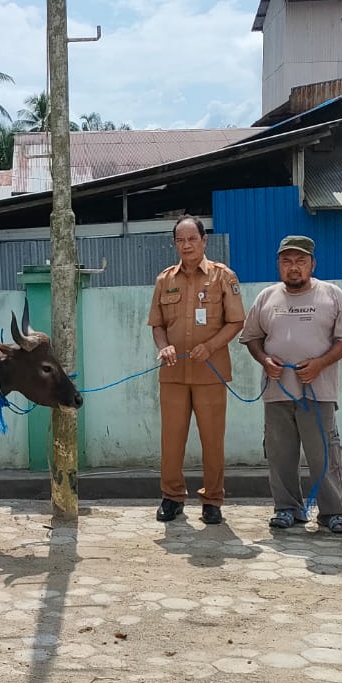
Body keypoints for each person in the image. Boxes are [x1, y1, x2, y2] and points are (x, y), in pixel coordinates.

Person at [239, 236, 342, 535]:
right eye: (287, 261)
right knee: (280, 454)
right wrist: (265, 360)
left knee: (324, 454)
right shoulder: (266, 297)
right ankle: (287, 508)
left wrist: (320, 364)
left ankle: (333, 512)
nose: (293, 268)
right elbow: (251, 337)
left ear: (312, 264)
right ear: (279, 265)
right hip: (276, 392)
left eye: (300, 261)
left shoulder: (331, 295)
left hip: (318, 393)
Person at [148, 215, 246, 524]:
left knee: (212, 439)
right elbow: (157, 325)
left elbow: (236, 321)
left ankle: (212, 500)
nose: (187, 245)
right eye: (181, 240)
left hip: (210, 373)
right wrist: (162, 346)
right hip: (174, 374)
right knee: (171, 440)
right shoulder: (165, 279)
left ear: (204, 241)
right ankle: (172, 497)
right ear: (175, 243)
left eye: (193, 239)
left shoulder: (223, 277)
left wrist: (212, 345)